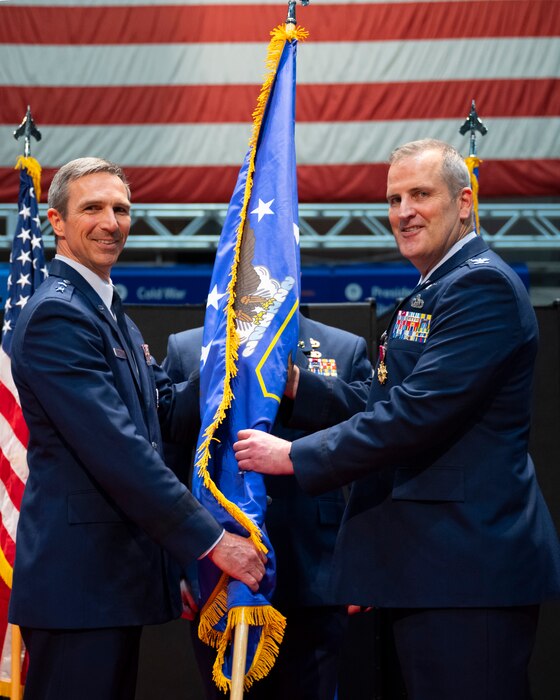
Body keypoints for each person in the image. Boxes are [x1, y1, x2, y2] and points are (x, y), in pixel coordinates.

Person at [233, 139, 560, 700]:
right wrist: (298, 388)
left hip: (466, 571)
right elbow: (384, 401)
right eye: (393, 198)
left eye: (420, 195)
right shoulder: (436, 286)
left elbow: (414, 415)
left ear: (464, 202)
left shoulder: (480, 286)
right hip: (430, 568)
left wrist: (294, 457)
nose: (403, 211)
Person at [8, 157, 266, 700]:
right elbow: (121, 452)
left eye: (121, 209)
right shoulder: (60, 316)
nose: (111, 222)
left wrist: (229, 352)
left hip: (108, 583)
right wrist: (212, 542)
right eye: (93, 208)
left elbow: (166, 412)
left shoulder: (107, 311)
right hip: (78, 586)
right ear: (56, 220)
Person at [163, 313, 373, 700]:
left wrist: (367, 564)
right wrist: (176, 566)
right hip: (217, 577)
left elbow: (375, 444)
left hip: (316, 575)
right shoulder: (190, 348)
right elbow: (170, 463)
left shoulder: (344, 348)